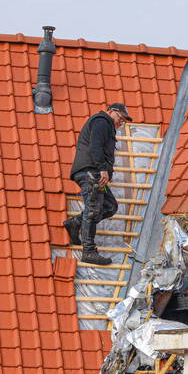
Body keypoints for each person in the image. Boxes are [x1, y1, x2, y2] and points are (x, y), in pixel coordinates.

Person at [63, 103, 132, 266]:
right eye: (120, 119)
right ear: (111, 112)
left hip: (94, 173)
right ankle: (89, 252)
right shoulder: (102, 121)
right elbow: (95, 147)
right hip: (90, 172)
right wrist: (103, 169)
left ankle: (75, 223)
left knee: (109, 206)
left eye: (123, 122)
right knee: (93, 209)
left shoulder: (107, 125)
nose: (120, 123)